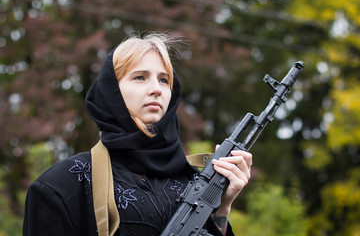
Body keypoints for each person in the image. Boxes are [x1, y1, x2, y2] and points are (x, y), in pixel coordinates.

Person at [23, 33, 252, 236]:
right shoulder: (64, 184)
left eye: (164, 79)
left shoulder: (191, 180)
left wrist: (221, 207)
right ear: (111, 91)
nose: (157, 89)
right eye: (140, 77)